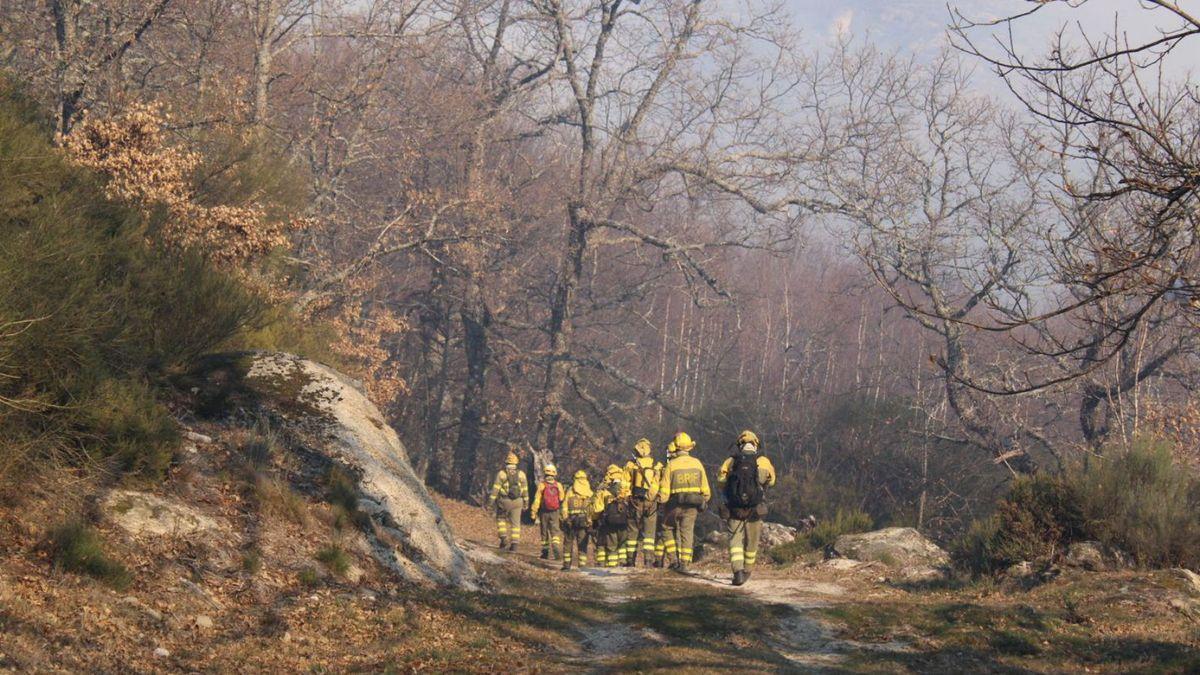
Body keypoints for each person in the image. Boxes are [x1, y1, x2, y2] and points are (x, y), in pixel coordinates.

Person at [717, 430, 777, 586]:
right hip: (754, 509)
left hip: (734, 507)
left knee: (735, 540)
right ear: (755, 444)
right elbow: (771, 482)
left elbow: (720, 481)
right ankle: (747, 571)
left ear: (740, 444)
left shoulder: (730, 461)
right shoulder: (763, 461)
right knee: (752, 541)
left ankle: (737, 572)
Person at [657, 432, 710, 572]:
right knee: (687, 533)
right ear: (689, 447)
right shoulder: (697, 463)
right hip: (692, 505)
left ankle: (673, 560)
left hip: (674, 506)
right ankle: (685, 564)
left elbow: (664, 492)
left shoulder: (671, 465)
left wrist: (658, 501)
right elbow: (706, 490)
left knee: (666, 528)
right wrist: (704, 500)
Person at [623, 438, 660, 567]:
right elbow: (656, 485)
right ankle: (648, 561)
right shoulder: (656, 465)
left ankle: (630, 561)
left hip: (635, 500)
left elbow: (625, 484)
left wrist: (627, 498)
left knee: (632, 531)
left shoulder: (631, 465)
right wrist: (650, 498)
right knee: (649, 534)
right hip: (651, 503)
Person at [487, 450, 529, 551]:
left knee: (501, 519)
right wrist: (526, 503)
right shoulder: (522, 474)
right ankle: (514, 545)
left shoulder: (501, 474)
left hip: (504, 501)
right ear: (516, 463)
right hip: (518, 502)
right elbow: (525, 490)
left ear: (506, 463)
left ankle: (504, 539)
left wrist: (490, 503)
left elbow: (495, 490)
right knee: (516, 524)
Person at [592, 464, 631, 568]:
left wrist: (595, 520)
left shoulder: (604, 489)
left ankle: (612, 565)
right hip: (624, 521)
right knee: (622, 543)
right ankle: (623, 562)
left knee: (612, 544)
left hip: (610, 522)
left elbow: (597, 509)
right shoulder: (626, 486)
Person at [561, 469, 594, 570]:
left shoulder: (570, 491)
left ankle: (566, 565)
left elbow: (564, 506)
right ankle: (582, 565)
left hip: (570, 521)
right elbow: (592, 509)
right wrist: (590, 521)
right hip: (584, 522)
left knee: (568, 543)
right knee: (582, 544)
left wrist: (565, 518)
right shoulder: (589, 492)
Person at [531, 464, 564, 560]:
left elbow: (537, 499)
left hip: (544, 512)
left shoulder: (542, 485)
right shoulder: (558, 485)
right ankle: (556, 549)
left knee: (544, 532)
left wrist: (533, 512)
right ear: (554, 474)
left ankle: (545, 553)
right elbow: (562, 498)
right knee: (555, 532)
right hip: (555, 512)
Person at [653, 441, 677, 567]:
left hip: (666, 504)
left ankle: (666, 559)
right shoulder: (681, 466)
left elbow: (657, 486)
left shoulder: (664, 468)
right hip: (680, 503)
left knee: (664, 531)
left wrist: (653, 500)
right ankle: (661, 559)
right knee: (674, 532)